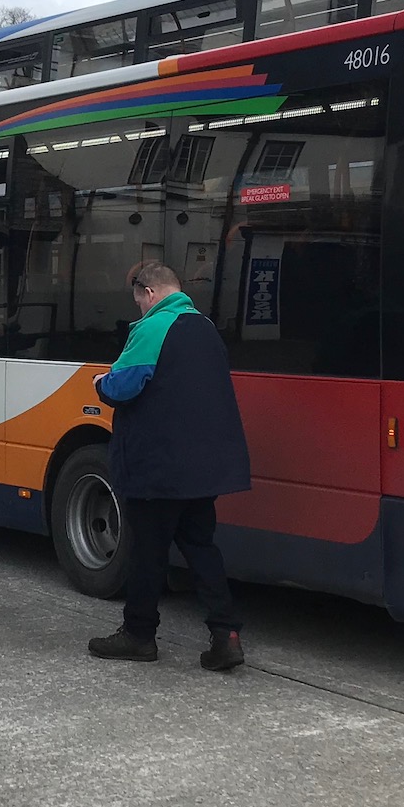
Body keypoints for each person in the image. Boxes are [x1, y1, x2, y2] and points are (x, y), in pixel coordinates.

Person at [86, 261, 252, 671]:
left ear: (150, 292)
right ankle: (225, 634)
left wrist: (99, 385)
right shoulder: (206, 327)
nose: (138, 308)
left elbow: (124, 384)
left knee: (148, 552)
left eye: (138, 299)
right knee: (201, 546)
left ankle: (139, 636)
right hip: (203, 466)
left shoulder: (154, 326)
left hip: (159, 465)